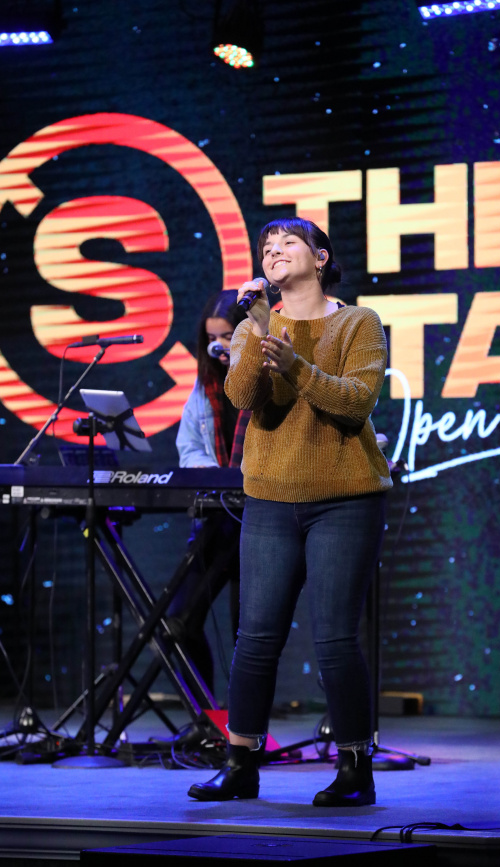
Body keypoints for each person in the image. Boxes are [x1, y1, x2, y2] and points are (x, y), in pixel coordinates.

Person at [187, 218, 393, 807]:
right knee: (255, 637)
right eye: (267, 247)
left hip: (344, 498)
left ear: (320, 257)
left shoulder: (358, 322)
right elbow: (243, 398)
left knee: (335, 639)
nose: (274, 251)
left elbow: (355, 402)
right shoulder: (255, 325)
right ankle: (239, 763)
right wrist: (258, 329)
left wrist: (296, 365)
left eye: (289, 243)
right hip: (271, 499)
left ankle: (355, 769)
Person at [170, 290, 249, 694]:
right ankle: (205, 717)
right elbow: (189, 449)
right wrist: (214, 473)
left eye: (227, 337)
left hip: (260, 523)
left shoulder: (268, 380)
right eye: (212, 338)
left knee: (247, 635)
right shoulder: (204, 388)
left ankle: (246, 723)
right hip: (219, 520)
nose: (218, 346)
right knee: (178, 619)